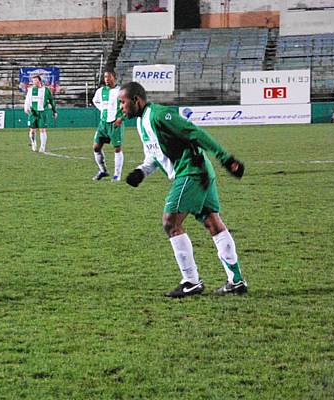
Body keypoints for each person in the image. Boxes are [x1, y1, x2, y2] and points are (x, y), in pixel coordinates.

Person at [118, 82, 247, 298]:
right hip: (197, 172)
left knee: (170, 222)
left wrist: (225, 158)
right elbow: (155, 155)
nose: (121, 107)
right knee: (212, 222)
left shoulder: (159, 115)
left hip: (191, 171)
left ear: (136, 100)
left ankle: (191, 281)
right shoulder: (142, 123)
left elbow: (194, 132)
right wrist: (141, 171)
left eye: (122, 102)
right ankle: (236, 281)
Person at [91, 70, 125, 182]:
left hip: (115, 123)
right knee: (96, 147)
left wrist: (121, 118)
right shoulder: (100, 91)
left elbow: (128, 105)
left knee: (117, 149)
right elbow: (95, 101)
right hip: (103, 123)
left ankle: (117, 175)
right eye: (105, 77)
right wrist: (103, 109)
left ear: (114, 77)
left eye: (108, 77)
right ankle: (103, 170)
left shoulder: (121, 91)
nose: (106, 79)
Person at [24, 75, 57, 153]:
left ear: (39, 81)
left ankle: (42, 147)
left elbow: (51, 101)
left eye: (35, 80)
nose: (33, 82)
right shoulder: (30, 90)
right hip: (33, 112)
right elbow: (27, 100)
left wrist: (54, 111)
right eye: (33, 81)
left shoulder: (46, 90)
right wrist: (26, 108)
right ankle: (33, 143)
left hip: (42, 112)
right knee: (32, 130)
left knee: (42, 130)